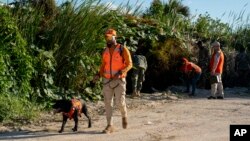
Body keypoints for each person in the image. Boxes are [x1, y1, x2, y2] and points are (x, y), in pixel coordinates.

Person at [93, 28, 132, 133]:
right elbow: (103, 65)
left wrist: (121, 72)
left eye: (110, 37)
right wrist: (98, 74)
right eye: (106, 37)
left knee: (120, 102)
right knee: (107, 103)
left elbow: (129, 64)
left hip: (119, 80)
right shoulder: (105, 51)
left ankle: (124, 116)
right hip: (107, 80)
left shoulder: (122, 49)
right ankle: (110, 125)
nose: (107, 39)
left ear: (115, 37)